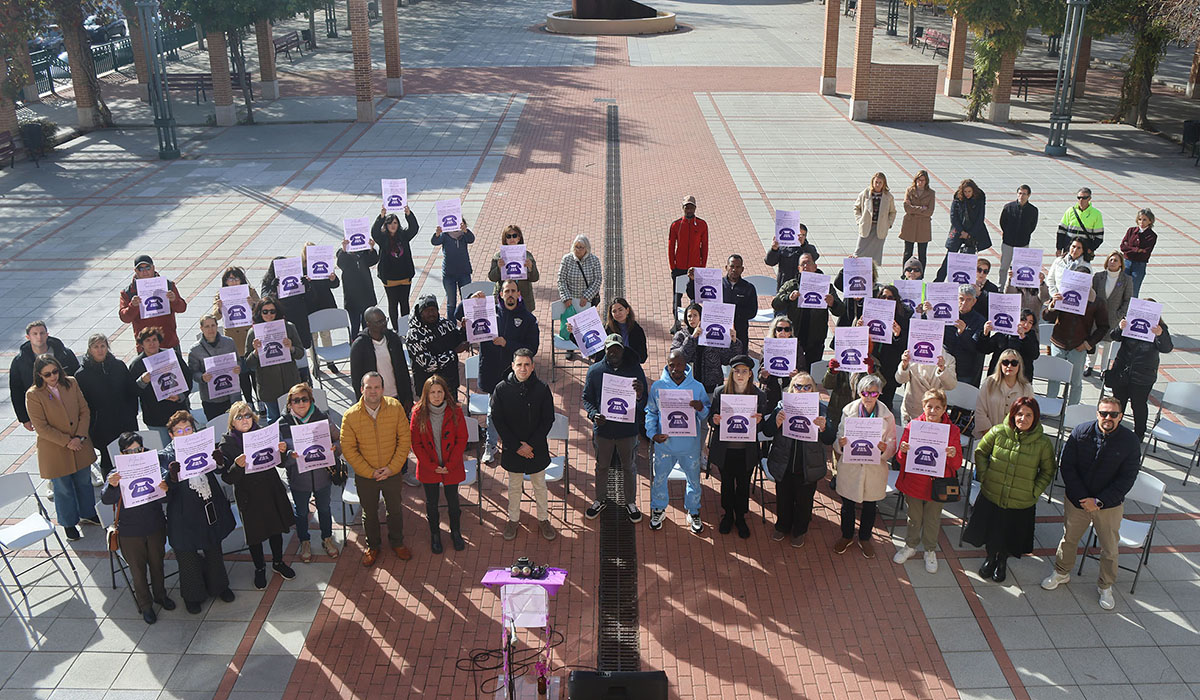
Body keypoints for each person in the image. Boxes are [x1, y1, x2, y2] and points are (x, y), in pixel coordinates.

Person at [1042, 397, 1140, 610]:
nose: (1108, 418)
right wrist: (1082, 498)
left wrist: (1099, 501)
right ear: (1097, 414)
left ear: (1120, 417)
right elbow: (1067, 466)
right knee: (1069, 539)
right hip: (1078, 501)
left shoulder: (1130, 441)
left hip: (1108, 506)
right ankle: (1061, 572)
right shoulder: (1080, 432)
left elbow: (1127, 479)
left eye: (1113, 414)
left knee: (1110, 549)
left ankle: (1105, 586)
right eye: (1104, 413)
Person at [964, 397, 1056, 583]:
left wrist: (1034, 491)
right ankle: (990, 558)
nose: (1023, 418)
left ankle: (1002, 560)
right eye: (1019, 414)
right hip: (993, 493)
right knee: (992, 529)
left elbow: (1048, 471)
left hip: (1021, 499)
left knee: (1010, 531)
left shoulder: (1043, 443)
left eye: (1028, 415)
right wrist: (985, 476)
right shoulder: (998, 432)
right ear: (1012, 415)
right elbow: (981, 452)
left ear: (1035, 417)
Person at [159, 414, 237, 614]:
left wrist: (220, 461)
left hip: (208, 506)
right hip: (182, 513)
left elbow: (221, 469)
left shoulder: (204, 445)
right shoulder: (165, 456)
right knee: (187, 556)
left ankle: (220, 586)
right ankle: (193, 595)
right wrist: (171, 477)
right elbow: (161, 492)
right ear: (171, 435)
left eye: (188, 429)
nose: (185, 434)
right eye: (179, 431)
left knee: (213, 549)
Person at [218, 403, 297, 590]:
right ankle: (259, 567)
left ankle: (278, 562)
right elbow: (227, 478)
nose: (244, 419)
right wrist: (238, 466)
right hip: (248, 494)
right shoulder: (227, 444)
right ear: (232, 423)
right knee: (255, 535)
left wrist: (282, 452)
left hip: (270, 489)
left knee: (275, 528)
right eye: (239, 417)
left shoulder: (264, 433)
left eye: (247, 415)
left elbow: (280, 464)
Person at [342, 372, 413, 567]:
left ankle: (397, 542)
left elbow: (404, 439)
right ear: (361, 389)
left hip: (392, 472)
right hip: (366, 476)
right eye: (369, 387)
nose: (373, 391)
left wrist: (392, 468)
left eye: (377, 387)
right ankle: (373, 546)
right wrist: (369, 472)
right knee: (369, 513)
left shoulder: (395, 407)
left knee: (395, 510)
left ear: (382, 389)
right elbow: (348, 449)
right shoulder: (350, 416)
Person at [102, 433, 173, 624]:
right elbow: (106, 499)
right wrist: (112, 485)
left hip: (154, 526)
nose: (135, 453)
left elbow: (166, 498)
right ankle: (145, 606)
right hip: (130, 532)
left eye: (138, 449)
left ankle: (160, 595)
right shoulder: (115, 473)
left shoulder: (154, 466)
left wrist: (165, 488)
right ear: (122, 453)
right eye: (130, 451)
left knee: (157, 564)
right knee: (138, 571)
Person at [27, 354, 99, 541]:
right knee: (63, 488)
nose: (53, 376)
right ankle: (68, 523)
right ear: (39, 375)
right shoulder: (33, 395)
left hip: (80, 443)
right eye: (47, 374)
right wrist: (68, 441)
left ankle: (88, 513)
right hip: (56, 449)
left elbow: (84, 410)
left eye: (55, 371)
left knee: (84, 481)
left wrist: (80, 436)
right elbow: (41, 427)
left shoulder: (71, 383)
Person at [490, 349, 557, 541]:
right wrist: (517, 446)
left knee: (540, 486)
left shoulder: (542, 388)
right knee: (514, 486)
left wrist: (531, 445)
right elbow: (498, 419)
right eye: (519, 364)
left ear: (533, 366)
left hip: (536, 448)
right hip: (513, 449)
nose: (523, 368)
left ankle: (543, 520)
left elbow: (547, 419)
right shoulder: (501, 389)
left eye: (527, 364)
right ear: (512, 366)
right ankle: (513, 520)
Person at [893, 389, 962, 573]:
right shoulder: (913, 426)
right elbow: (900, 459)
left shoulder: (952, 431)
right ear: (923, 406)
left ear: (944, 409)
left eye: (937, 407)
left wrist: (952, 454)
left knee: (932, 519)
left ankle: (930, 550)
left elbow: (957, 464)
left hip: (937, 485)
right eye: (929, 406)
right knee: (913, 518)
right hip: (915, 482)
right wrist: (904, 450)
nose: (932, 411)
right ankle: (910, 545)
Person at [582, 335, 648, 523]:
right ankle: (600, 499)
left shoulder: (635, 370)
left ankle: (630, 502)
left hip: (627, 431)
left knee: (629, 467)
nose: (613, 352)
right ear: (605, 349)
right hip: (603, 431)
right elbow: (587, 398)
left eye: (617, 349)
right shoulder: (595, 371)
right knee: (602, 467)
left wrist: (640, 393)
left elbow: (643, 401)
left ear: (623, 350)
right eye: (610, 348)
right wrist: (593, 414)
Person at [646, 349, 711, 534]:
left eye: (679, 364)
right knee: (659, 479)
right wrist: (652, 434)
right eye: (671, 365)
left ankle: (693, 510)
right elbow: (651, 412)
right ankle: (658, 508)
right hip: (664, 445)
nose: (675, 369)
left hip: (689, 445)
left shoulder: (697, 387)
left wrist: (700, 408)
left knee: (693, 479)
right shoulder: (658, 387)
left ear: (686, 365)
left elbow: (706, 412)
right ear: (667, 364)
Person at [832, 374, 898, 558]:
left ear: (880, 393)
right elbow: (838, 436)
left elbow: (892, 443)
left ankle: (865, 537)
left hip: (874, 468)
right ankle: (846, 536)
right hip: (851, 466)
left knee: (870, 505)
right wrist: (841, 443)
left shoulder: (887, 416)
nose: (869, 397)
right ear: (859, 392)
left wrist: (886, 449)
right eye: (865, 392)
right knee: (847, 504)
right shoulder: (848, 411)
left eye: (873, 393)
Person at [473, 281, 539, 463]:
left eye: (513, 291)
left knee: (516, 413)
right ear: (500, 294)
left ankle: (516, 445)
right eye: (506, 291)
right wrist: (472, 302)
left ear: (518, 294)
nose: (509, 294)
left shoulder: (527, 319)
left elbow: (532, 348)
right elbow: (459, 316)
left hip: (516, 376)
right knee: (492, 413)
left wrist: (507, 344)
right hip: (492, 372)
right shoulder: (487, 312)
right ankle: (491, 445)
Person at [762, 373, 827, 547]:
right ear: (791, 388)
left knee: (804, 502)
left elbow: (829, 438)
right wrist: (775, 422)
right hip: (784, 463)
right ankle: (782, 526)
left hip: (808, 466)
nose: (802, 390)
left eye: (807, 387)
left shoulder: (821, 408)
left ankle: (800, 531)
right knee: (784, 498)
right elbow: (767, 432)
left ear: (813, 389)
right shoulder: (781, 406)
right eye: (798, 386)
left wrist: (823, 428)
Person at [278, 383, 341, 563]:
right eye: (296, 400)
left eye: (304, 399)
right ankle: (304, 541)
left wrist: (334, 448)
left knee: (324, 508)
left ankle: (327, 538)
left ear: (311, 400)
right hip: (299, 479)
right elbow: (280, 461)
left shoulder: (323, 418)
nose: (301, 403)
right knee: (301, 512)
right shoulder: (282, 424)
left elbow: (340, 440)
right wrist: (290, 455)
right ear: (290, 404)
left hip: (322, 477)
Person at [708, 355, 766, 538]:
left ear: (750, 374)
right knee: (726, 484)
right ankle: (728, 515)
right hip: (725, 450)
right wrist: (715, 420)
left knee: (742, 485)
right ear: (731, 373)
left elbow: (763, 427)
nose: (740, 375)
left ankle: (740, 516)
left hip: (746, 450)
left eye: (745, 371)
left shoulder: (759, 395)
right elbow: (711, 418)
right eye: (737, 371)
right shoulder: (720, 392)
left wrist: (760, 421)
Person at [408, 376, 467, 553]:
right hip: (429, 467)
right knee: (431, 503)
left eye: (439, 392)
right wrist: (431, 465)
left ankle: (455, 532)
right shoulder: (418, 413)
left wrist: (450, 463)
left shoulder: (455, 411)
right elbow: (415, 443)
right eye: (432, 392)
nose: (436, 396)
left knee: (453, 502)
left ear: (445, 393)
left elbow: (461, 438)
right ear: (426, 394)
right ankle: (435, 535)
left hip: (451, 465)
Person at [75, 333, 138, 478]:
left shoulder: (118, 366)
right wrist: (91, 425)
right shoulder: (82, 375)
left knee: (130, 455)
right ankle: (111, 492)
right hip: (101, 426)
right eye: (96, 347)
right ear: (90, 349)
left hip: (125, 421)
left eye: (103, 346)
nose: (100, 350)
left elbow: (131, 392)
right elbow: (81, 404)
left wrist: (131, 413)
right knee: (108, 459)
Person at [1044, 267, 1109, 406]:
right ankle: (1049, 406)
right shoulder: (1062, 295)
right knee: (1054, 378)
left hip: (1078, 347)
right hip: (1058, 342)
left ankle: (1071, 410)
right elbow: (1047, 317)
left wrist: (1088, 344)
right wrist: (1053, 305)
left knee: (1076, 382)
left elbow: (1104, 326)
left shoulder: (1096, 301)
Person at [1106, 308, 1172, 441]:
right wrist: (1120, 328)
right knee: (1118, 402)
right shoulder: (1129, 321)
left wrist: (1160, 334)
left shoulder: (1160, 327)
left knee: (1138, 405)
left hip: (1143, 375)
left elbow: (1167, 348)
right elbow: (1114, 337)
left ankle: (1139, 434)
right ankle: (1113, 430)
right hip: (1122, 370)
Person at [242, 297, 305, 423]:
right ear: (259, 312)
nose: (269, 315)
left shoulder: (289, 328)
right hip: (268, 385)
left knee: (296, 419)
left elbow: (300, 353)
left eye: (272, 311)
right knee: (274, 421)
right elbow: (248, 363)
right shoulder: (253, 333)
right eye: (265, 312)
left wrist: (291, 348)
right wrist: (255, 352)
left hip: (289, 382)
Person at [11, 320, 80, 433]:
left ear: (47, 335)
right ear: (28, 337)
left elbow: (78, 380)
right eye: (35, 334)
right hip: (42, 410)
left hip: (67, 406)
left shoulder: (64, 354)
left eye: (42, 333)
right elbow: (16, 390)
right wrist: (24, 418)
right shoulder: (20, 361)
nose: (39, 337)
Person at [773, 253, 838, 367]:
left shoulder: (826, 286)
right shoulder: (791, 285)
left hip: (816, 338)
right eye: (803, 264)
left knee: (811, 370)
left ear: (815, 267)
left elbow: (840, 311)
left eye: (809, 263)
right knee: (792, 368)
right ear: (799, 269)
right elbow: (776, 304)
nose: (806, 266)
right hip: (794, 336)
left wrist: (833, 303)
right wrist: (788, 297)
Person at [129, 327, 192, 444]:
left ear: (159, 341)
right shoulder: (137, 365)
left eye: (154, 340)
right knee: (165, 452)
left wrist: (180, 396)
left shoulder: (172, 355)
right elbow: (132, 392)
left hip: (178, 413)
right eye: (147, 340)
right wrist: (142, 381)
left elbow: (188, 378)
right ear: (141, 344)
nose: (152, 343)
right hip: (155, 418)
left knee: (185, 446)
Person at [686, 254, 758, 354]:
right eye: (732, 266)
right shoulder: (715, 284)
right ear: (726, 267)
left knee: (739, 361)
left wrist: (731, 313)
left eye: (737, 267)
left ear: (742, 269)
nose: (734, 269)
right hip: (715, 330)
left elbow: (752, 312)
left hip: (739, 331)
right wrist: (692, 281)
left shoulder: (749, 288)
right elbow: (694, 296)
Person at [211, 267, 260, 406]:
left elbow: (261, 309)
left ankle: (260, 400)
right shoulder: (220, 294)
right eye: (230, 279)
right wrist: (219, 308)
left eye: (236, 278)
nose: (233, 282)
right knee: (242, 373)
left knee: (255, 372)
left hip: (249, 335)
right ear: (225, 281)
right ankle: (249, 401)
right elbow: (215, 315)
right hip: (233, 338)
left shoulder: (249, 291)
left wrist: (253, 304)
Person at [349, 306, 414, 410]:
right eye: (379, 322)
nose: (384, 324)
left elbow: (403, 369)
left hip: (397, 395)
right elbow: (356, 380)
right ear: (368, 324)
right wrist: (362, 403)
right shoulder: (359, 346)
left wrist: (408, 397)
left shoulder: (393, 339)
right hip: (375, 400)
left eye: (384, 320)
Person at [118, 255, 188, 349]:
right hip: (145, 347)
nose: (145, 271)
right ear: (135, 270)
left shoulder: (167, 285)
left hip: (169, 342)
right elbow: (125, 318)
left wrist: (174, 300)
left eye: (147, 267)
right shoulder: (128, 292)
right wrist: (133, 306)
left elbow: (182, 308)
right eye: (141, 269)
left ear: (153, 268)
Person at [407, 295, 467, 396]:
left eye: (433, 310)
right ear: (421, 313)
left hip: (450, 385)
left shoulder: (445, 324)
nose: (431, 313)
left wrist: (464, 329)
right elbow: (429, 365)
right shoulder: (414, 335)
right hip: (428, 389)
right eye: (427, 310)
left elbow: (457, 339)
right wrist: (454, 352)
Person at [1085, 251, 1133, 378]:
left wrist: (1120, 314)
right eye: (1111, 260)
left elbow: (1128, 299)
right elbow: (1092, 294)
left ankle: (1104, 369)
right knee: (1093, 340)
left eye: (1116, 260)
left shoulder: (1126, 280)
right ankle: (1089, 365)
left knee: (1108, 344)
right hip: (1097, 316)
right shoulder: (1098, 276)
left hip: (1113, 317)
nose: (1113, 262)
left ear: (1121, 264)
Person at [372, 205, 420, 330]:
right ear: (386, 225)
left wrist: (408, 214)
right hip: (389, 279)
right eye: (389, 223)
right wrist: (381, 217)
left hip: (405, 276)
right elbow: (374, 232)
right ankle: (396, 329)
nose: (393, 225)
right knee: (392, 304)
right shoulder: (382, 238)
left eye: (395, 223)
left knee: (404, 303)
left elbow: (414, 228)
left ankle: (405, 329)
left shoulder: (403, 235)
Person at [674, 302, 739, 394]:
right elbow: (678, 358)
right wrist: (692, 338)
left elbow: (727, 359)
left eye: (695, 315)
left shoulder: (713, 334)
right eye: (689, 316)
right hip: (688, 384)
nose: (692, 319)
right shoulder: (681, 335)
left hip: (712, 384)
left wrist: (733, 342)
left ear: (702, 316)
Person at [188, 314, 241, 421]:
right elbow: (193, 373)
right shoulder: (195, 350)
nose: (210, 329)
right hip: (210, 398)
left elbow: (238, 361)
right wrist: (202, 377)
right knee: (216, 427)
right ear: (201, 328)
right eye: (207, 326)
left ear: (217, 326)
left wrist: (238, 368)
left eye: (213, 325)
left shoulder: (229, 342)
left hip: (231, 395)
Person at [974, 349, 1034, 438]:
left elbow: (1029, 416)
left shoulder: (1027, 388)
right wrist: (990, 436)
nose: (1009, 366)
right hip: (987, 436)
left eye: (1014, 363)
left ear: (1019, 366)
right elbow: (980, 411)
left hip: (1014, 438)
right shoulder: (989, 383)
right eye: (1005, 362)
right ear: (1000, 364)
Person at [301, 241, 341, 372]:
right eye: (308, 252)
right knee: (313, 337)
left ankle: (330, 362)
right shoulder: (301, 269)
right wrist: (306, 283)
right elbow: (298, 289)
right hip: (309, 306)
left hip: (324, 304)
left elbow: (335, 285)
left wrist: (332, 278)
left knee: (326, 334)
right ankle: (315, 363)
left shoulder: (325, 264)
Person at [669, 195, 709, 318]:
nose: (689, 210)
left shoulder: (702, 225)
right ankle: (676, 322)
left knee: (695, 297)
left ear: (695, 208)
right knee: (677, 297)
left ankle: (694, 321)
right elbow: (671, 247)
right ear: (683, 208)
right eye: (687, 207)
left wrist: (702, 267)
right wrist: (673, 266)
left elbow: (705, 247)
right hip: (679, 267)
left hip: (695, 268)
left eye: (691, 207)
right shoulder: (676, 225)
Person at [262, 257, 313, 353]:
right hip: (281, 319)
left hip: (298, 317)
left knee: (300, 347)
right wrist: (273, 290)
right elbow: (264, 300)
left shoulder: (297, 279)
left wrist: (307, 287)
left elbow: (311, 299)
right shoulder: (268, 282)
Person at [487, 224, 540, 311]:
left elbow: (535, 278)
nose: (512, 239)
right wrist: (498, 268)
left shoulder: (527, 256)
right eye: (508, 236)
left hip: (524, 299)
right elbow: (492, 278)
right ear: (505, 239)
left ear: (519, 238)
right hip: (504, 299)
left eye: (514, 236)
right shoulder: (498, 256)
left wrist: (531, 267)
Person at [895, 348, 956, 424]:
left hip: (934, 414)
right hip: (911, 411)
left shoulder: (948, 359)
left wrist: (942, 369)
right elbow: (900, 380)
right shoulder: (911, 355)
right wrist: (904, 365)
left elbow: (951, 386)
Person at [337, 231, 380, 337]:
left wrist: (371, 248)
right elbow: (340, 263)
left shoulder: (364, 253)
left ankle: (369, 345)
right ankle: (355, 346)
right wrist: (344, 248)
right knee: (355, 325)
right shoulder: (343, 254)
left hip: (366, 295)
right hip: (352, 298)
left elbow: (373, 260)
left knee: (368, 324)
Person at [431, 216, 475, 317]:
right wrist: (437, 234)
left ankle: (468, 324)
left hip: (464, 273)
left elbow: (471, 239)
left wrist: (465, 231)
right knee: (451, 303)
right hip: (449, 274)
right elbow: (434, 241)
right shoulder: (445, 235)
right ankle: (451, 325)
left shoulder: (464, 235)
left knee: (467, 300)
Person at [757, 316, 804, 412]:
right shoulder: (767, 347)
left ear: (790, 332)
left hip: (790, 389)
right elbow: (760, 376)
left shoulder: (797, 348)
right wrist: (764, 376)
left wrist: (796, 376)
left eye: (786, 329)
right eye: (779, 329)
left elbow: (803, 371)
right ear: (775, 332)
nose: (783, 332)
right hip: (770, 391)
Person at [943, 285, 986, 387]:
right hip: (946, 367)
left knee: (962, 401)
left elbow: (975, 347)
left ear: (974, 302)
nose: (964, 303)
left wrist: (962, 333)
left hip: (965, 371)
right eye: (961, 299)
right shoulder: (946, 314)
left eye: (968, 300)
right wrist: (926, 313)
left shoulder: (980, 321)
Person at [980, 309, 1039, 382]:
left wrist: (1023, 337)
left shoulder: (1031, 336)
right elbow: (983, 349)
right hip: (998, 377)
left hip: (1021, 380)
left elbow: (1034, 355)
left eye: (1030, 322)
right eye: (1023, 320)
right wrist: (985, 334)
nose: (1026, 325)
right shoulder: (1002, 333)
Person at [852, 172, 897, 264]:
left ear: (884, 183)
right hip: (866, 226)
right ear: (872, 182)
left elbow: (892, 212)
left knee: (875, 255)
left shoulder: (888, 196)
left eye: (880, 183)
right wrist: (859, 220)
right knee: (859, 252)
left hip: (880, 228)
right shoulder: (865, 194)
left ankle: (872, 273)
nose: (877, 185)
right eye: (876, 182)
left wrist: (888, 224)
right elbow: (856, 208)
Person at [997, 184, 1039, 283]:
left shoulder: (1033, 210)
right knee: (1004, 267)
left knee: (1020, 269)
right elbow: (1003, 222)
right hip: (1008, 243)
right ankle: (1001, 287)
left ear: (1029, 195)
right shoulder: (1008, 207)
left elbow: (1032, 226)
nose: (1021, 196)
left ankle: (1016, 289)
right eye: (1020, 193)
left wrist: (1024, 235)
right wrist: (1007, 234)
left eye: (1024, 194)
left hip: (1023, 244)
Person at [765, 222, 819, 291]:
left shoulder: (809, 248)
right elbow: (770, 262)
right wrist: (774, 249)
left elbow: (814, 256)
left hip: (804, 286)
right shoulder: (783, 247)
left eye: (802, 235)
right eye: (797, 234)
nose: (799, 237)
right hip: (785, 286)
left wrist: (803, 245)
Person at [557, 234, 603, 313]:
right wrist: (566, 298)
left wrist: (586, 297)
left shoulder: (594, 260)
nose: (578, 250)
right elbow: (561, 280)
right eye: (576, 247)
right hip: (570, 302)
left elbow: (598, 280)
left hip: (588, 302)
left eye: (581, 247)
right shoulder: (566, 259)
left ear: (587, 248)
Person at [899, 170, 935, 269]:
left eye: (923, 180)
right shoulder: (910, 190)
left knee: (922, 253)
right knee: (907, 252)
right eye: (919, 180)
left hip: (923, 226)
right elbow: (907, 208)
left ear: (926, 181)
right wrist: (921, 208)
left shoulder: (931, 193)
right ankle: (905, 274)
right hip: (910, 224)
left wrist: (914, 208)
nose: (920, 182)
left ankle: (920, 276)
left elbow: (930, 211)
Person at [1056, 187, 1104, 259]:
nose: (1081, 200)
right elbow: (1061, 231)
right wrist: (1059, 248)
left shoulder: (1096, 214)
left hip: (1085, 250)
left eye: (1084, 198)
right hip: (1069, 248)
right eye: (1079, 197)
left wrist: (1090, 249)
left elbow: (1099, 236)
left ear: (1089, 198)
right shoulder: (1070, 211)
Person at [1119, 208, 1156, 297]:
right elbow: (1123, 247)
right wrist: (1137, 250)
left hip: (1139, 265)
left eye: (1144, 220)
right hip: (1126, 262)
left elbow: (1145, 253)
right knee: (1120, 287)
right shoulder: (1131, 231)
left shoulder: (1152, 236)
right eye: (1140, 219)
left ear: (1150, 221)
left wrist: (1130, 249)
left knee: (1133, 290)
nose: (1141, 222)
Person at [601, 297, 648, 365]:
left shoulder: (637, 330)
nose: (617, 313)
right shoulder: (607, 329)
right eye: (614, 311)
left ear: (627, 310)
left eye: (620, 310)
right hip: (612, 365)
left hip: (631, 365)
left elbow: (643, 357)